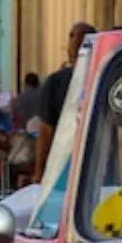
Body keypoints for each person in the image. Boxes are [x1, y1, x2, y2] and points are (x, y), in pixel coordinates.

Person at [36, 23, 97, 181]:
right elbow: (46, 129)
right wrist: (39, 171)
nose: (75, 41)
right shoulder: (56, 82)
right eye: (72, 36)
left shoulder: (101, 77)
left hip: (91, 162)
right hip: (66, 162)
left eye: (81, 37)